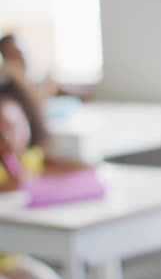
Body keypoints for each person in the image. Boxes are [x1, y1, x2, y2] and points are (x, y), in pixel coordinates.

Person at [0, 69, 87, 279]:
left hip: (11, 259)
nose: (7, 139)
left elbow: (56, 168)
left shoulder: (31, 158)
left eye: (12, 128)